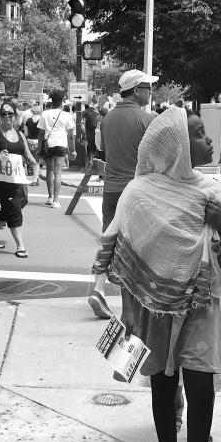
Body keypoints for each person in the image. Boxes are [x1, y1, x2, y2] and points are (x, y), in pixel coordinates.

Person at [91, 107, 221, 442]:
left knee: (201, 386)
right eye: (197, 134)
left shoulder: (212, 193)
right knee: (163, 385)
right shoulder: (139, 193)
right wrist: (128, 309)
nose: (208, 139)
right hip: (155, 312)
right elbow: (121, 250)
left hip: (202, 306)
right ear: (175, 148)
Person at [93, 69, 156, 318]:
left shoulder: (107, 119)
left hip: (111, 190)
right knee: (134, 249)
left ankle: (98, 289)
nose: (150, 93)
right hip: (136, 192)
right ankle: (131, 309)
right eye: (148, 88)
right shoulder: (146, 119)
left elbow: (103, 149)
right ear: (137, 90)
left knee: (109, 240)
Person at [0, 101, 33, 257]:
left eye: (10, 114)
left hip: (16, 179)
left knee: (10, 207)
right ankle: (20, 246)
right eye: (3, 114)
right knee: (13, 207)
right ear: (0, 116)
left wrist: (35, 163)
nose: (7, 117)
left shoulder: (20, 134)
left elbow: (27, 154)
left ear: (15, 116)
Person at [39, 89, 76, 209]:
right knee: (58, 172)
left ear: (51, 101)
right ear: (62, 101)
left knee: (49, 171)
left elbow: (41, 133)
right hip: (61, 143)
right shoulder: (67, 115)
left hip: (48, 144)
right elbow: (70, 136)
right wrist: (73, 150)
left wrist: (39, 148)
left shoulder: (45, 114)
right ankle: (56, 199)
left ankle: (50, 197)